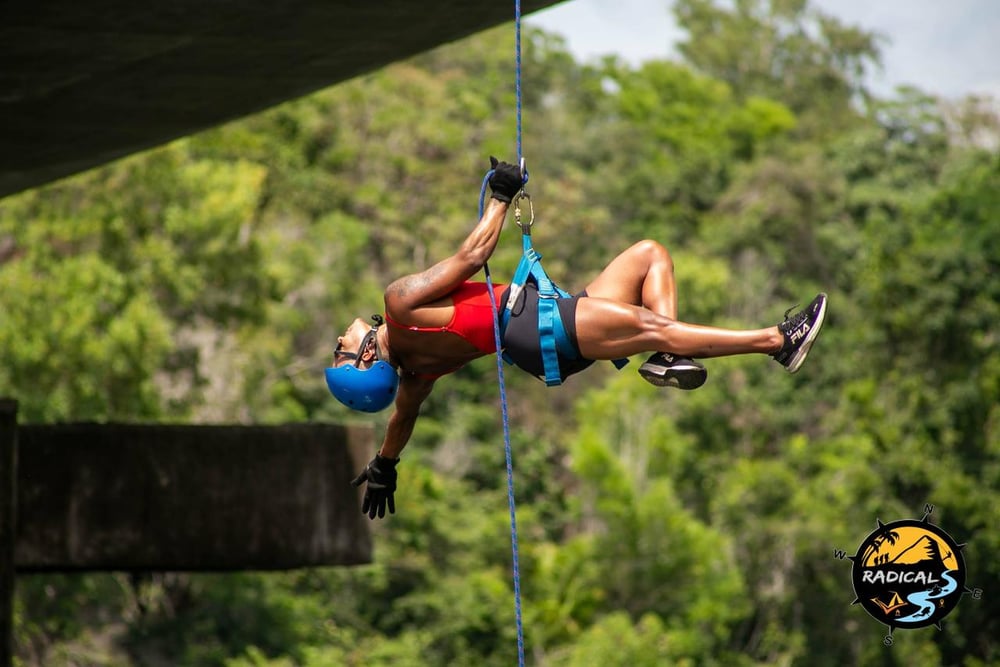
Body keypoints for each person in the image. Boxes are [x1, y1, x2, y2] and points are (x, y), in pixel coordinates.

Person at [328, 158, 827, 519]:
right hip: (531, 327)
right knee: (652, 323)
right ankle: (775, 341)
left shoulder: (415, 376)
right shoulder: (399, 305)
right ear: (367, 354)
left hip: (537, 328)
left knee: (649, 254)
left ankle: (669, 357)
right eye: (341, 350)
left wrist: (384, 465)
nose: (339, 338)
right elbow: (471, 257)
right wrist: (501, 196)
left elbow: (400, 423)